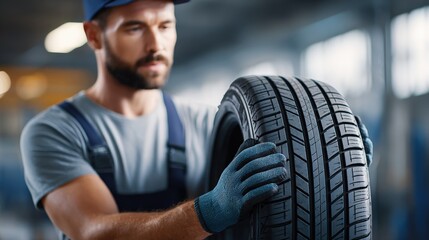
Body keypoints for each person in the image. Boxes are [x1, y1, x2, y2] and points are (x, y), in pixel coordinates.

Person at [20, 0, 373, 239]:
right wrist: (209, 211)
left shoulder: (208, 123)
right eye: (134, 28)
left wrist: (329, 161)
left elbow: (282, 206)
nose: (155, 43)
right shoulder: (53, 132)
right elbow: (93, 231)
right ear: (94, 35)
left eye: (165, 25)